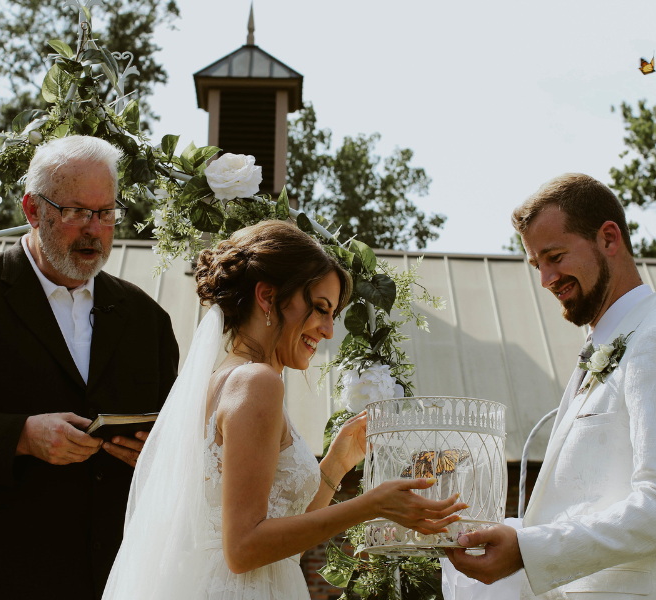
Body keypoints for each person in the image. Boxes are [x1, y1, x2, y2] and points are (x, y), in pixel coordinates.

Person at [102, 220, 466, 600]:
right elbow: (244, 549)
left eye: (333, 316)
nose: (327, 330)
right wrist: (371, 505)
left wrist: (337, 464)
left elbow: (281, 536)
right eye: (320, 309)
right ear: (267, 296)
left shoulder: (222, 380)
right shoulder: (257, 383)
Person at [0, 135, 179, 600]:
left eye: (105, 213)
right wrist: (18, 437)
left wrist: (154, 454)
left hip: (117, 578)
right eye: (77, 211)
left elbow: (175, 440)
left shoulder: (146, 318)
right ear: (33, 210)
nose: (95, 230)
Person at [445, 173, 656, 599]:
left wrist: (528, 549)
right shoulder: (601, 347)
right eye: (537, 265)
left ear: (609, 239)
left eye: (555, 256)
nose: (546, 279)